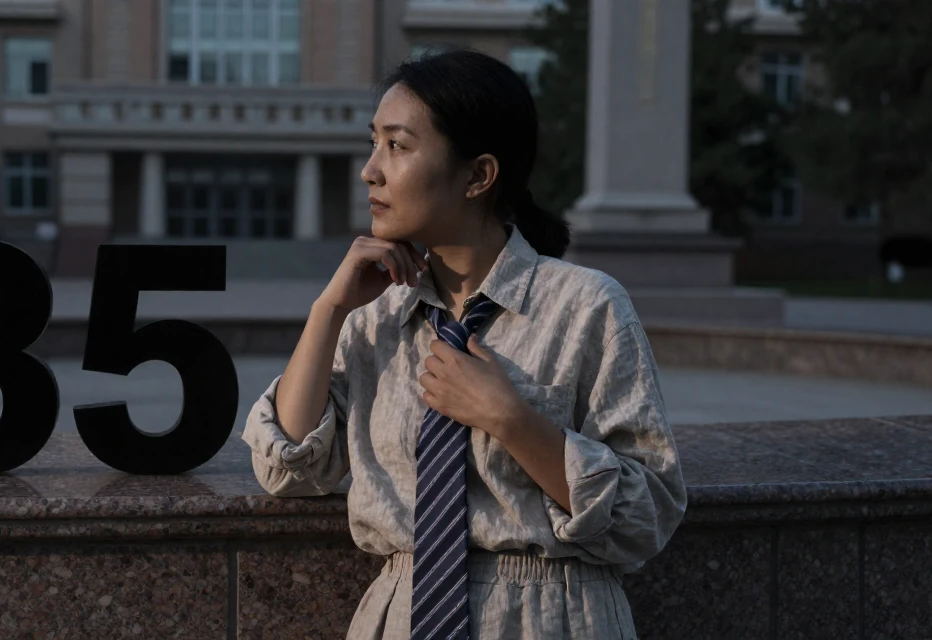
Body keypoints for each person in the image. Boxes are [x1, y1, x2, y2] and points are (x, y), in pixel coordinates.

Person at [241, 48, 686, 639]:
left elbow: (648, 514)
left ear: (478, 176)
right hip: (402, 615)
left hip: (554, 618)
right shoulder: (375, 318)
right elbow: (289, 470)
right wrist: (329, 311)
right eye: (373, 143)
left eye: (397, 146)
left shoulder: (586, 306)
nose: (370, 170)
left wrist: (510, 419)